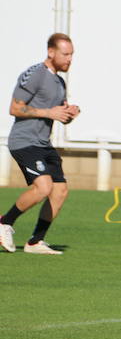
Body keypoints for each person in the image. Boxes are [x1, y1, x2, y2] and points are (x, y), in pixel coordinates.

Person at [1, 34, 80, 255]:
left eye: (72, 54)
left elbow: (58, 114)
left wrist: (70, 113)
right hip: (24, 141)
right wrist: (49, 112)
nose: (69, 59)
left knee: (60, 190)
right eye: (65, 54)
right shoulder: (34, 74)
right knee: (43, 187)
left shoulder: (59, 82)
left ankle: (35, 241)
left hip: (43, 143)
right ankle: (4, 222)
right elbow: (15, 108)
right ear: (51, 52)